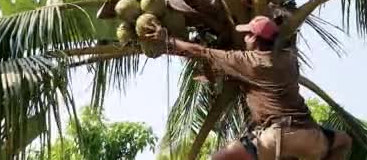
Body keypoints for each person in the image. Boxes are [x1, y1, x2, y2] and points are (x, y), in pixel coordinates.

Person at [143, 15, 352, 160]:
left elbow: (202, 52)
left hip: (276, 138)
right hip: (312, 139)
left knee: (219, 158)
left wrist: (167, 40)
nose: (244, 38)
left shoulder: (248, 61)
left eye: (247, 34)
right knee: (343, 141)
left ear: (253, 39)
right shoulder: (289, 59)